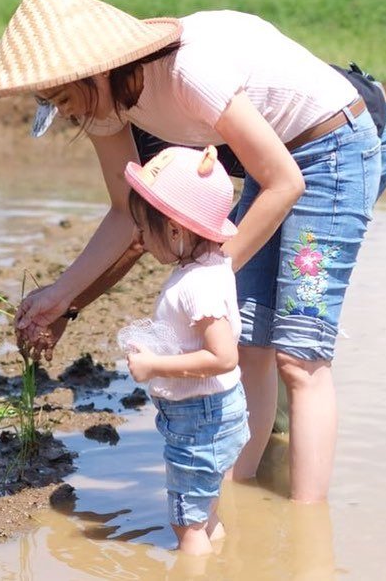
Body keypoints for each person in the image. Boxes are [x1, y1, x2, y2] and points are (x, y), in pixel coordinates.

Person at [0, 0, 386, 503]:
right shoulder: (107, 107)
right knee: (248, 342)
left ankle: (307, 527)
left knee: (300, 358)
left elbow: (287, 182)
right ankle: (241, 497)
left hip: (331, 151)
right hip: (273, 161)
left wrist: (211, 269)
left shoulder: (188, 72)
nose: (67, 115)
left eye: (63, 98)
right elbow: (127, 214)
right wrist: (61, 297)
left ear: (91, 69)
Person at [116, 144, 249, 555]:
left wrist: (154, 364)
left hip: (199, 419)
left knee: (185, 525)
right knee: (205, 515)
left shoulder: (195, 285)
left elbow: (223, 357)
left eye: (145, 226)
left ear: (175, 229)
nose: (138, 237)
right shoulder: (213, 265)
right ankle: (221, 562)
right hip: (220, 412)